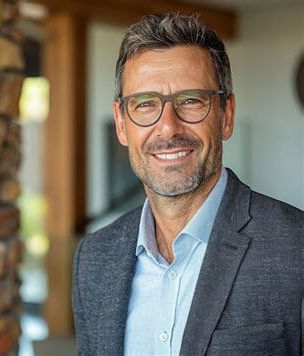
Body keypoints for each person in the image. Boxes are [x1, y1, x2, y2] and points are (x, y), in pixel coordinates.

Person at [72, 13, 303, 356]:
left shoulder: (296, 248)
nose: (168, 128)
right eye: (145, 104)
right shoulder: (94, 258)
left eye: (191, 100)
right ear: (122, 124)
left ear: (227, 115)